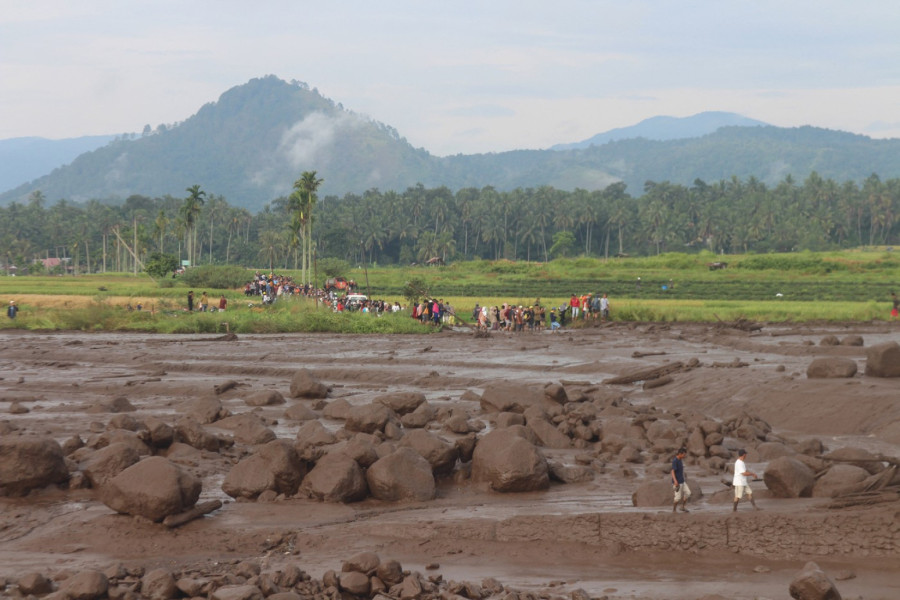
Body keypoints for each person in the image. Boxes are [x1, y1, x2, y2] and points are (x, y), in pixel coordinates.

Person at [671, 447, 691, 513]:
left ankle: (682, 507)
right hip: (677, 482)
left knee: (688, 493)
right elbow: (672, 471)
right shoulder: (675, 461)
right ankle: (674, 510)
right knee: (678, 497)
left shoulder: (680, 460)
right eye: (684, 454)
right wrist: (675, 481)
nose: (684, 456)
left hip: (682, 481)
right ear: (680, 454)